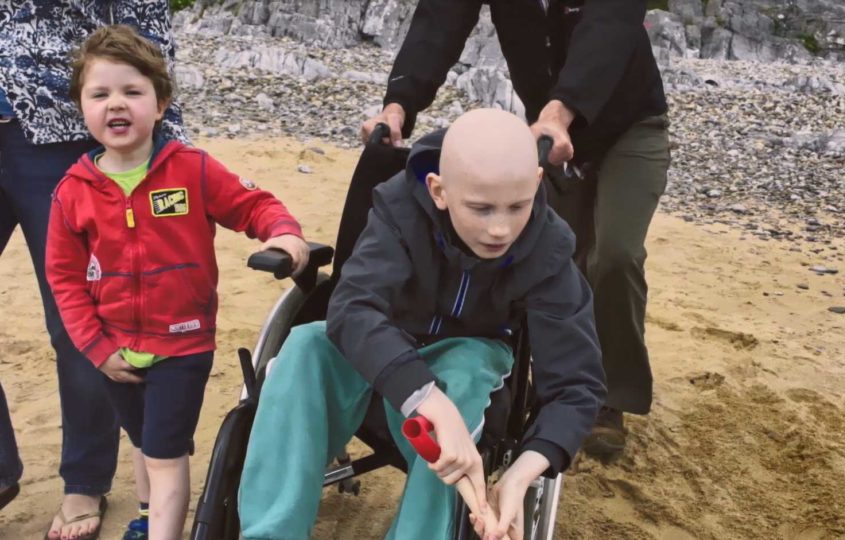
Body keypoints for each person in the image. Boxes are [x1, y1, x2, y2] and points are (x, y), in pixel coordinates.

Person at [239, 108, 605, 540]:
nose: (501, 228)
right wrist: (424, 397)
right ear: (439, 191)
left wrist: (521, 473)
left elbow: (578, 385)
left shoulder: (547, 247)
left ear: (537, 184)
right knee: (305, 347)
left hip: (467, 355)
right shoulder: (399, 207)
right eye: (481, 209)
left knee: (466, 374)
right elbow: (354, 306)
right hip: (382, 343)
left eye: (517, 206)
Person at [361, 0, 670, 458]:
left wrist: (562, 111)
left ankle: (611, 399)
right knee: (554, 262)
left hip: (628, 126)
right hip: (549, 134)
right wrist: (399, 106)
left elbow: (609, 23)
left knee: (614, 256)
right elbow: (440, 21)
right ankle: (550, 384)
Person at [44, 25, 310, 540]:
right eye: (100, 94)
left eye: (132, 91)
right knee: (144, 440)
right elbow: (64, 279)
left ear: (161, 104)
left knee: (165, 454)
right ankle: (148, 517)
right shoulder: (72, 192)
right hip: (114, 348)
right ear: (82, 107)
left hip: (182, 343)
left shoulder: (190, 170)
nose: (115, 104)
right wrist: (96, 348)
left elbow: (254, 203)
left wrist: (284, 233)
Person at [0, 1, 189, 537]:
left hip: (59, 134)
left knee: (76, 318)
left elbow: (148, 36)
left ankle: (84, 479)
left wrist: (167, 163)